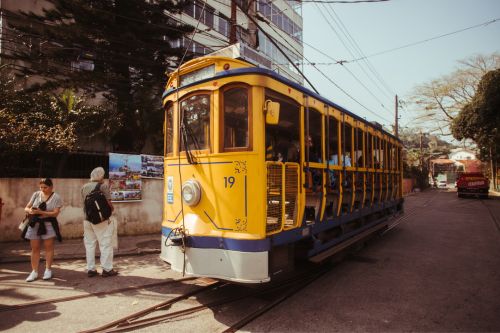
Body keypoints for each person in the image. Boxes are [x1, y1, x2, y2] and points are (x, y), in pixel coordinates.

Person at [23, 178, 63, 282]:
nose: (43, 189)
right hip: (34, 223)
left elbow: (55, 213)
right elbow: (26, 208)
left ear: (51, 187)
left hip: (48, 224)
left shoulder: (56, 197)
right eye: (41, 187)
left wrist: (42, 212)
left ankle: (48, 270)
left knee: (48, 247)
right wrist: (31, 211)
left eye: (45, 187)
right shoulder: (36, 194)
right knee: (35, 248)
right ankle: (34, 272)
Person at [81, 167, 117, 277]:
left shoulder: (84, 187)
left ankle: (91, 269)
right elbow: (109, 204)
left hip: (87, 219)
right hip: (101, 220)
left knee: (90, 244)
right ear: (101, 176)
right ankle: (107, 269)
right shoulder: (103, 186)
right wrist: (111, 210)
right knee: (105, 244)